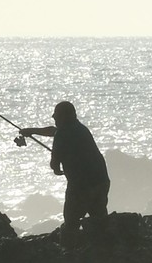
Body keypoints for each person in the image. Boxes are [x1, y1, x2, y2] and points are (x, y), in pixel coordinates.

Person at [18, 101, 110, 237]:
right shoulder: (81, 128)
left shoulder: (62, 135)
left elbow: (54, 163)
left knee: (71, 223)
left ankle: (71, 251)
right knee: (99, 220)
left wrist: (56, 168)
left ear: (62, 117)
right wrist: (32, 131)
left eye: (56, 116)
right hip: (101, 181)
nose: (53, 117)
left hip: (81, 186)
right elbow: (53, 131)